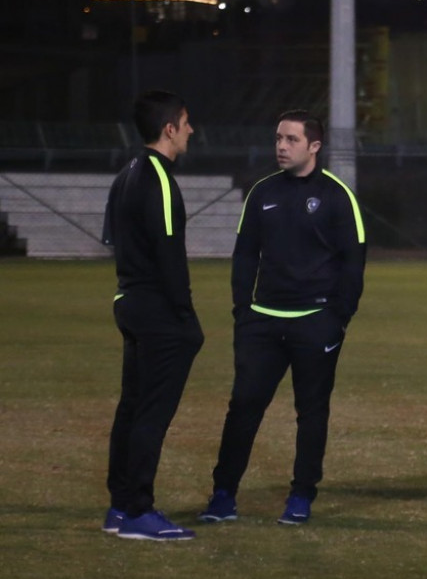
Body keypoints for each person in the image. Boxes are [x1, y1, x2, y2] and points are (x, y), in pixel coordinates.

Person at [199, 110, 366, 526]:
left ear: (314, 146)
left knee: (311, 412)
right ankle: (223, 495)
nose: (281, 146)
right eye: (278, 138)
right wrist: (243, 311)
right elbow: (244, 255)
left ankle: (301, 495)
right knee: (243, 407)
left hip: (316, 321)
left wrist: (337, 318)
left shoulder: (337, 196)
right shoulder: (262, 192)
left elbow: (354, 262)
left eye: (291, 139)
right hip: (262, 322)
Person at [101, 90, 205, 541]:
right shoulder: (159, 179)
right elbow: (169, 254)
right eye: (185, 122)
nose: (190, 130)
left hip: (129, 301)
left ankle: (120, 507)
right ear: (169, 128)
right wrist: (185, 315)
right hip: (157, 309)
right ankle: (139, 511)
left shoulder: (126, 173)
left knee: (132, 408)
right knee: (150, 413)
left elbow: (112, 239)